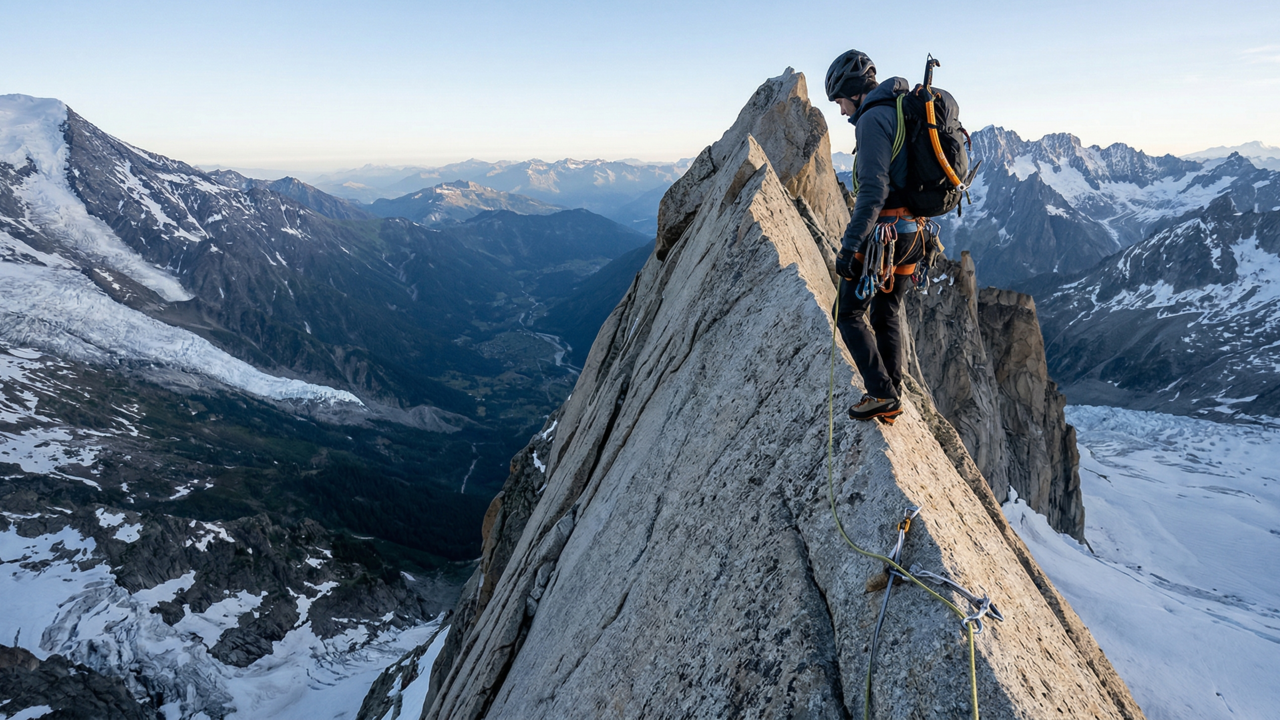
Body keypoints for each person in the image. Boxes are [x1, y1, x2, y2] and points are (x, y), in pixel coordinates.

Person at [826, 49, 923, 425]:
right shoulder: (900, 109)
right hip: (915, 233)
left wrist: (850, 246)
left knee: (847, 312)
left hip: (885, 236)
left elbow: (871, 192)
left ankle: (881, 393)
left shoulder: (872, 120)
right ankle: (892, 396)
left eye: (840, 102)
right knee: (887, 311)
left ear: (852, 91)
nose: (841, 111)